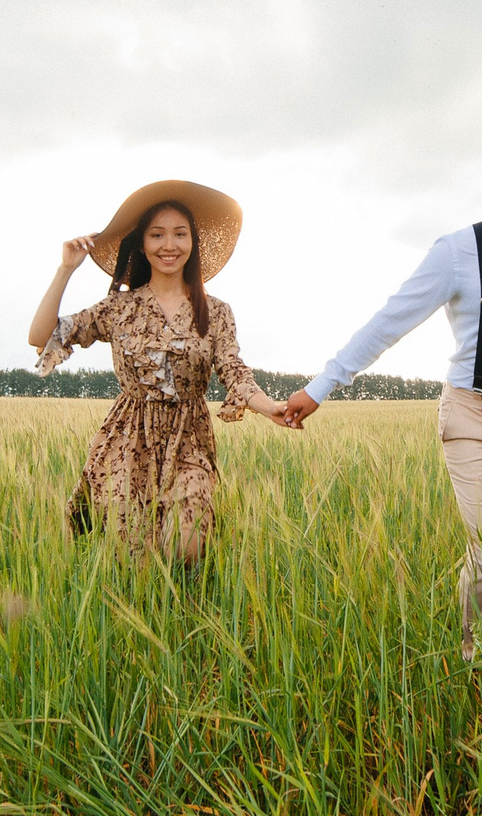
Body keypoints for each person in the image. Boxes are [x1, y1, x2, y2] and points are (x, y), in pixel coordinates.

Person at [282, 131, 482, 658]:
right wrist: (321, 386)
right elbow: (391, 321)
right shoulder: (456, 252)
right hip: (476, 419)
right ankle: (473, 648)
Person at [28, 180, 291, 565]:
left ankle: (185, 611)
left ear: (193, 243)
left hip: (190, 437)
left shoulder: (215, 311)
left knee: (188, 543)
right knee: (131, 554)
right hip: (129, 437)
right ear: (143, 244)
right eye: (157, 235)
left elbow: (233, 370)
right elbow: (41, 335)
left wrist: (269, 407)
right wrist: (65, 270)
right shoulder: (119, 308)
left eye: (180, 234)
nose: (169, 245)